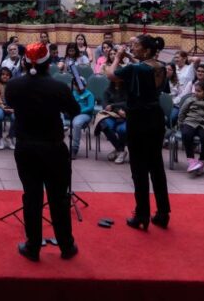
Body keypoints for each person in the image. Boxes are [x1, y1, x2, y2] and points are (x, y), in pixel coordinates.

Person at [4, 42, 80, 262]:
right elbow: (74, 110)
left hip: (26, 148)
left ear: (25, 63)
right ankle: (66, 245)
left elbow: (10, 102)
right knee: (59, 198)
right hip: (54, 148)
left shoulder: (14, 86)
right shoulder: (58, 87)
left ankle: (33, 246)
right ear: (49, 63)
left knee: (32, 197)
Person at [103, 35, 171, 231]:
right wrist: (131, 58)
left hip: (139, 118)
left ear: (147, 50)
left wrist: (118, 56)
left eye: (137, 46)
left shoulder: (135, 68)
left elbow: (112, 74)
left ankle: (142, 214)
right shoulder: (160, 65)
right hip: (156, 117)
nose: (133, 48)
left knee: (139, 168)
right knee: (156, 165)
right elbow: (144, 67)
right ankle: (163, 212)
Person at [178, 80, 204, 174]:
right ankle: (191, 160)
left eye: (199, 91)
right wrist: (181, 124)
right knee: (186, 134)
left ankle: (201, 161)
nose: (196, 93)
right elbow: (182, 112)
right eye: (195, 90)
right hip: (190, 122)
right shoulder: (190, 99)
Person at [95, 77, 128, 163]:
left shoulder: (127, 90)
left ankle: (118, 150)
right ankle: (120, 150)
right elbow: (105, 105)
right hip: (111, 115)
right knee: (104, 125)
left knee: (122, 130)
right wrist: (117, 109)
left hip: (125, 116)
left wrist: (113, 105)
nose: (116, 80)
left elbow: (128, 103)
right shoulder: (108, 90)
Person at [68, 76, 95, 159]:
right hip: (71, 113)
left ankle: (74, 148)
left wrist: (78, 111)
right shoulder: (72, 93)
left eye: (81, 86)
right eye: (77, 86)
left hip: (84, 114)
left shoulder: (89, 94)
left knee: (77, 123)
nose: (79, 88)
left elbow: (90, 107)